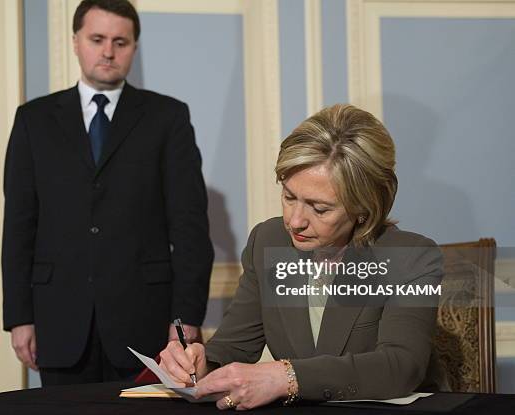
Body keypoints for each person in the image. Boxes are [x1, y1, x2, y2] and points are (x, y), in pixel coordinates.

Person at [159, 104, 445, 409]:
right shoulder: (267, 242)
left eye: (319, 208)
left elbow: (400, 367)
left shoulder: (412, 257)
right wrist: (201, 364)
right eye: (289, 196)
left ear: (365, 208)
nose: (295, 221)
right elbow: (233, 346)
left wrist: (286, 377)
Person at [2, 0, 214, 386]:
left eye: (121, 41)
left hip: (147, 324)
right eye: (97, 39)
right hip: (59, 321)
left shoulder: (168, 118)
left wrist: (184, 322)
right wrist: (19, 317)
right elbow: (19, 225)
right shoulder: (33, 120)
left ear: (134, 46)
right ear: (75, 41)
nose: (108, 51)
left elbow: (190, 228)